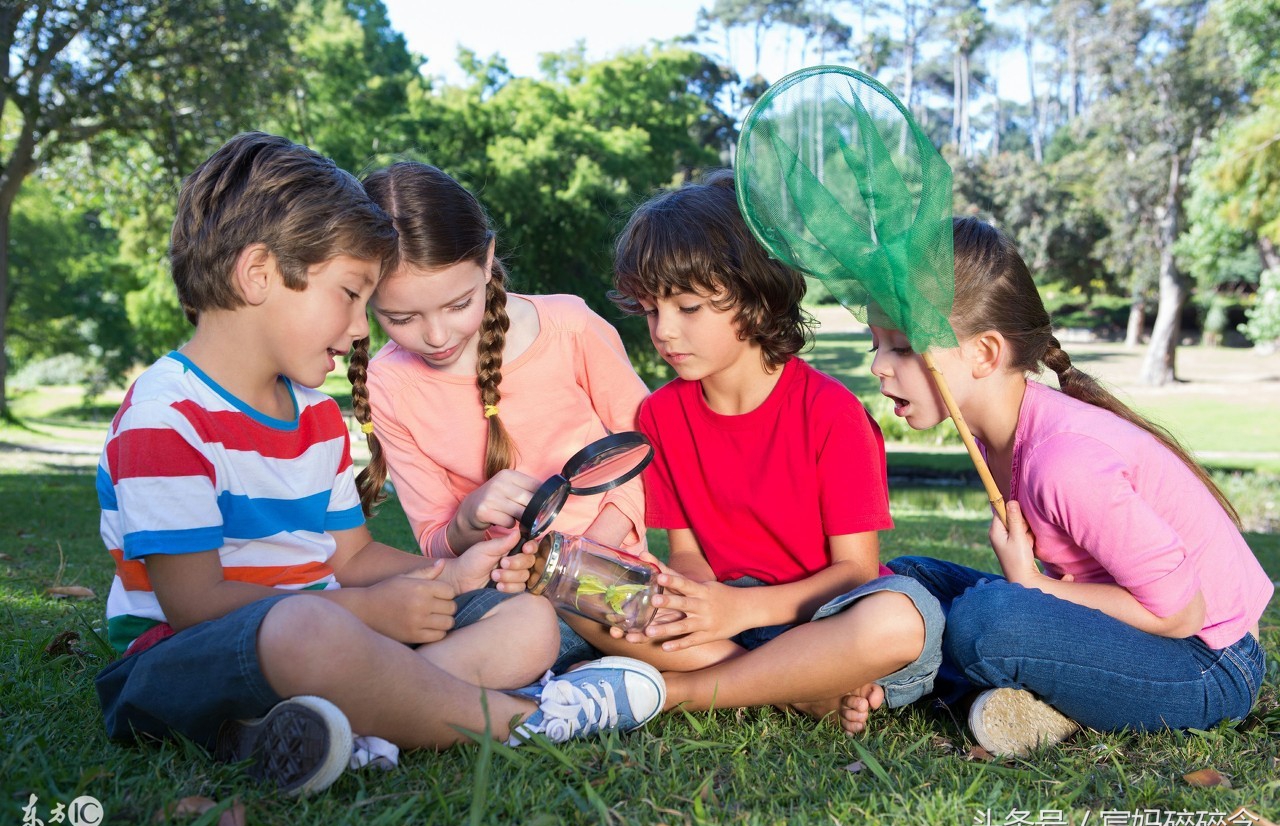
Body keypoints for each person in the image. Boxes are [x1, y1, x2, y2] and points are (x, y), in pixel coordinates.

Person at [93, 132, 665, 797]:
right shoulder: (167, 414)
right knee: (310, 625)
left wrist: (450, 573)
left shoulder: (315, 417)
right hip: (175, 660)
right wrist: (368, 612)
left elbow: (353, 558)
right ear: (258, 275)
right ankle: (534, 718)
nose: (364, 329)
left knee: (528, 619)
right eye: (350, 294)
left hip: (329, 632)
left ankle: (351, 727)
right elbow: (193, 604)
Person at [875, 216, 1272, 756]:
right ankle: (1038, 700)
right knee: (908, 577)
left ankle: (919, 677)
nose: (878, 366)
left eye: (900, 348)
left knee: (985, 623)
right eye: (877, 344)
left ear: (984, 354)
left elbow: (1179, 614)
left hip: (1208, 664)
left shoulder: (1063, 463)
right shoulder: (993, 431)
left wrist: (1033, 586)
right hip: (1141, 637)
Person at [592, 169, 944, 735]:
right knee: (586, 585)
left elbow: (853, 572)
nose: (663, 331)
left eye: (687, 308)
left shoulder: (831, 413)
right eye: (651, 310)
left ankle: (681, 691)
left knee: (903, 616)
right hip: (726, 619)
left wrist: (738, 611)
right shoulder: (660, 415)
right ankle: (791, 687)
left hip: (826, 618)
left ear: (755, 298)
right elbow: (685, 552)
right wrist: (696, 598)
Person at [348, 161, 650, 672]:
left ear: (487, 260)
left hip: (608, 577)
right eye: (400, 318)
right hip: (500, 602)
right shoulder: (388, 386)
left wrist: (583, 555)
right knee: (509, 633)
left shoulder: (571, 327)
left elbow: (647, 451)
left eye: (458, 303)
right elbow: (435, 541)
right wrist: (467, 519)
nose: (437, 335)